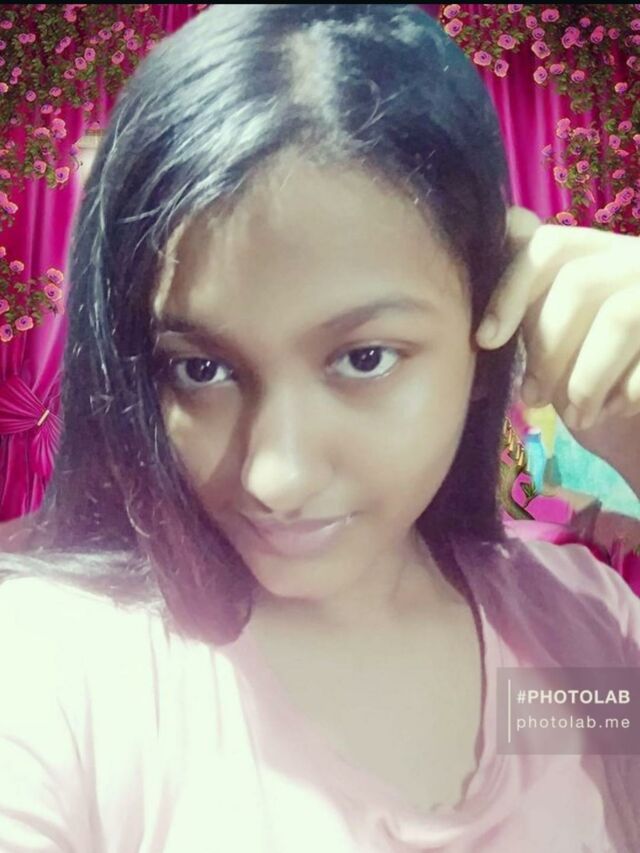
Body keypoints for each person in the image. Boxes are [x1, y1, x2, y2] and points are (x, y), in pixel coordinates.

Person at [0, 4, 639, 851]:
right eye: (201, 369)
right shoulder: (59, 667)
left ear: (491, 321)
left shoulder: (580, 636)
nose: (277, 477)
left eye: (364, 358)